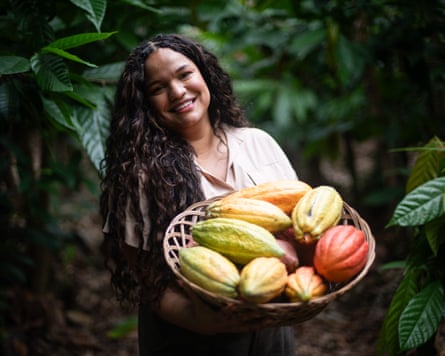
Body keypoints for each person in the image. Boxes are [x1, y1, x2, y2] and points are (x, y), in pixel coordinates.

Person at [99, 33, 299, 356]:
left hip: (271, 332)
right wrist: (204, 321)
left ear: (204, 73)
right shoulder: (142, 175)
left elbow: (299, 232)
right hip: (188, 336)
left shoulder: (258, 144)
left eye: (184, 74)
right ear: (146, 104)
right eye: (157, 88)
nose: (177, 92)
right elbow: (148, 280)